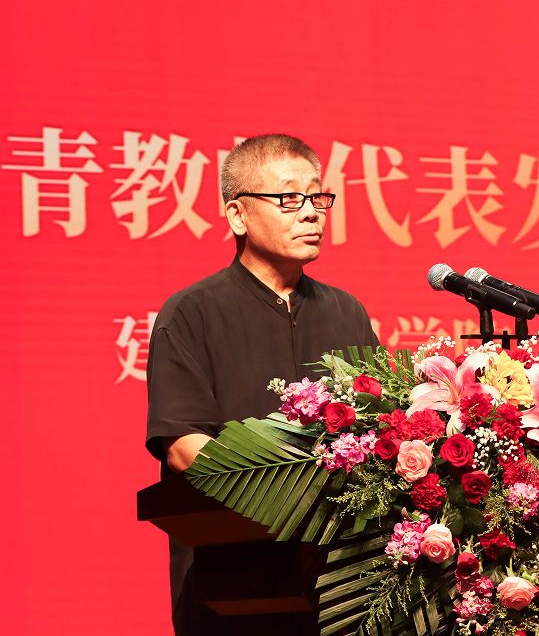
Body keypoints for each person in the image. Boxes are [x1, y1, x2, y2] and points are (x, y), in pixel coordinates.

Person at [145, 133, 379, 635]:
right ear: (237, 215)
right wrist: (293, 501)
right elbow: (184, 447)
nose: (311, 213)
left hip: (343, 590)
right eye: (289, 198)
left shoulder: (347, 312)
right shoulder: (192, 313)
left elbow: (379, 432)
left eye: (317, 197)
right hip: (231, 586)